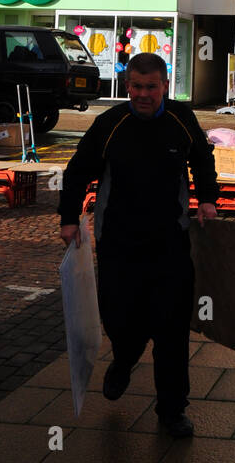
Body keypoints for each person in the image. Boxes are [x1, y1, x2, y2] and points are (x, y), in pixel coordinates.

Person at [58, 52, 220, 438]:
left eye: (151, 87)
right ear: (127, 85)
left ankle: (172, 410)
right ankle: (124, 358)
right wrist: (68, 219)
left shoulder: (182, 118)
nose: (143, 94)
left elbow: (202, 159)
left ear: (165, 85)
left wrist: (208, 199)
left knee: (171, 328)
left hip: (170, 240)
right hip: (118, 241)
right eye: (136, 86)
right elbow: (78, 170)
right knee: (120, 318)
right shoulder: (110, 124)